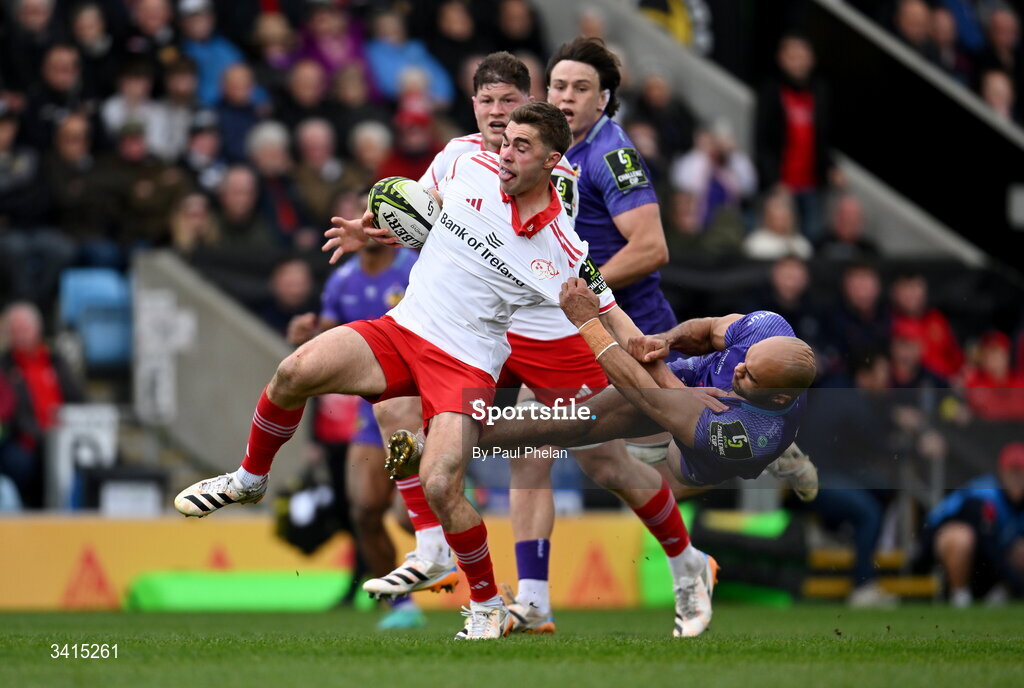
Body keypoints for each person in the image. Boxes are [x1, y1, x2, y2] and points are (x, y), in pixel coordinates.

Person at [174, 101, 636, 640]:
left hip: (465, 365)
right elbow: (425, 207)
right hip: (402, 330)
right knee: (294, 370)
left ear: (553, 160)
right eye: (505, 140)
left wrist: (644, 347)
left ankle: (486, 604)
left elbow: (609, 312)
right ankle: (251, 479)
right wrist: (367, 233)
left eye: (521, 147)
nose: (506, 154)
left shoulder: (559, 245)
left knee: (441, 484)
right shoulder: (469, 164)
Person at [376, 52, 708, 638]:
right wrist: (378, 231)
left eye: (511, 104)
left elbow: (573, 261)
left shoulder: (562, 170)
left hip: (547, 329)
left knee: (601, 460)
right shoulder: (459, 155)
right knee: (394, 402)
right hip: (485, 331)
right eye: (489, 102)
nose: (498, 115)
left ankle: (685, 563)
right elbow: (422, 217)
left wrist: (612, 318)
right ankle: (449, 556)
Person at [286, 242, 427, 630]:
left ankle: (480, 581)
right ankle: (401, 606)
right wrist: (308, 336)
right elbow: (333, 340)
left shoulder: (418, 267)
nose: (366, 224)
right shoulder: (341, 281)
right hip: (370, 410)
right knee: (364, 511)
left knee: (407, 516)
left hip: (421, 401)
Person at [924, 441, 1024, 606]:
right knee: (962, 537)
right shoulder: (983, 496)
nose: (1016, 480)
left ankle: (1001, 592)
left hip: (986, 556)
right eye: (1012, 474)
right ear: (1002, 473)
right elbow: (988, 546)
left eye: (1020, 474)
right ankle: (959, 596)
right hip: (941, 546)